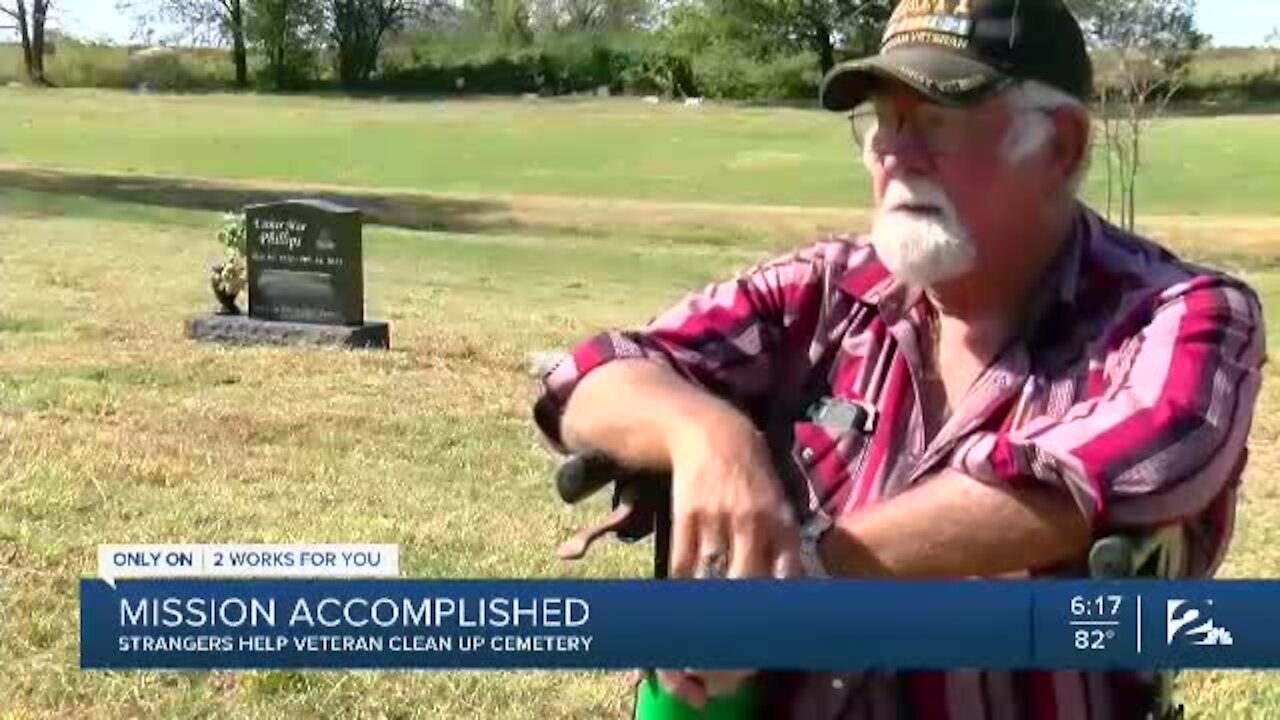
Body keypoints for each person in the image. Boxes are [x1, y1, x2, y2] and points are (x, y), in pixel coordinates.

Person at [531, 0, 1268, 716]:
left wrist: (801, 577)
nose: (892, 152)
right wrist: (709, 440)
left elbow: (1098, 476)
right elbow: (591, 377)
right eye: (883, 119)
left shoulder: (1183, 315)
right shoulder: (824, 290)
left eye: (938, 121)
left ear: (1062, 146)